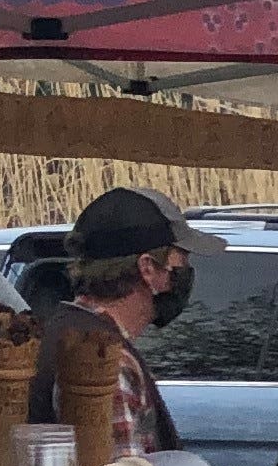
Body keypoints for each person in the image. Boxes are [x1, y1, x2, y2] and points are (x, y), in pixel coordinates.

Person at [27, 183, 219, 451]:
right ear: (148, 268)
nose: (186, 271)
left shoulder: (63, 330)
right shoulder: (106, 359)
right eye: (182, 260)